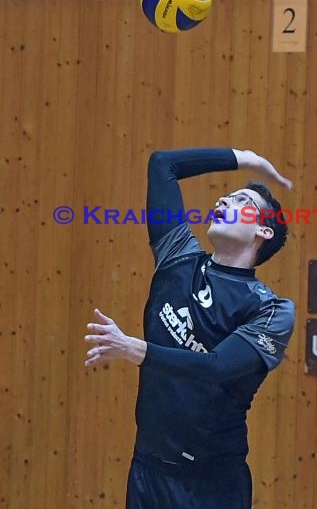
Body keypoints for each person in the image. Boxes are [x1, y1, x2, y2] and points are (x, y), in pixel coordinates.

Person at [84, 148, 295, 509]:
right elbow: (163, 165)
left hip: (211, 485)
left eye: (241, 200)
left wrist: (134, 349)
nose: (224, 198)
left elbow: (216, 368)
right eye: (227, 195)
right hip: (147, 471)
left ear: (263, 229)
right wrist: (247, 158)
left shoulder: (271, 309)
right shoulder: (177, 256)